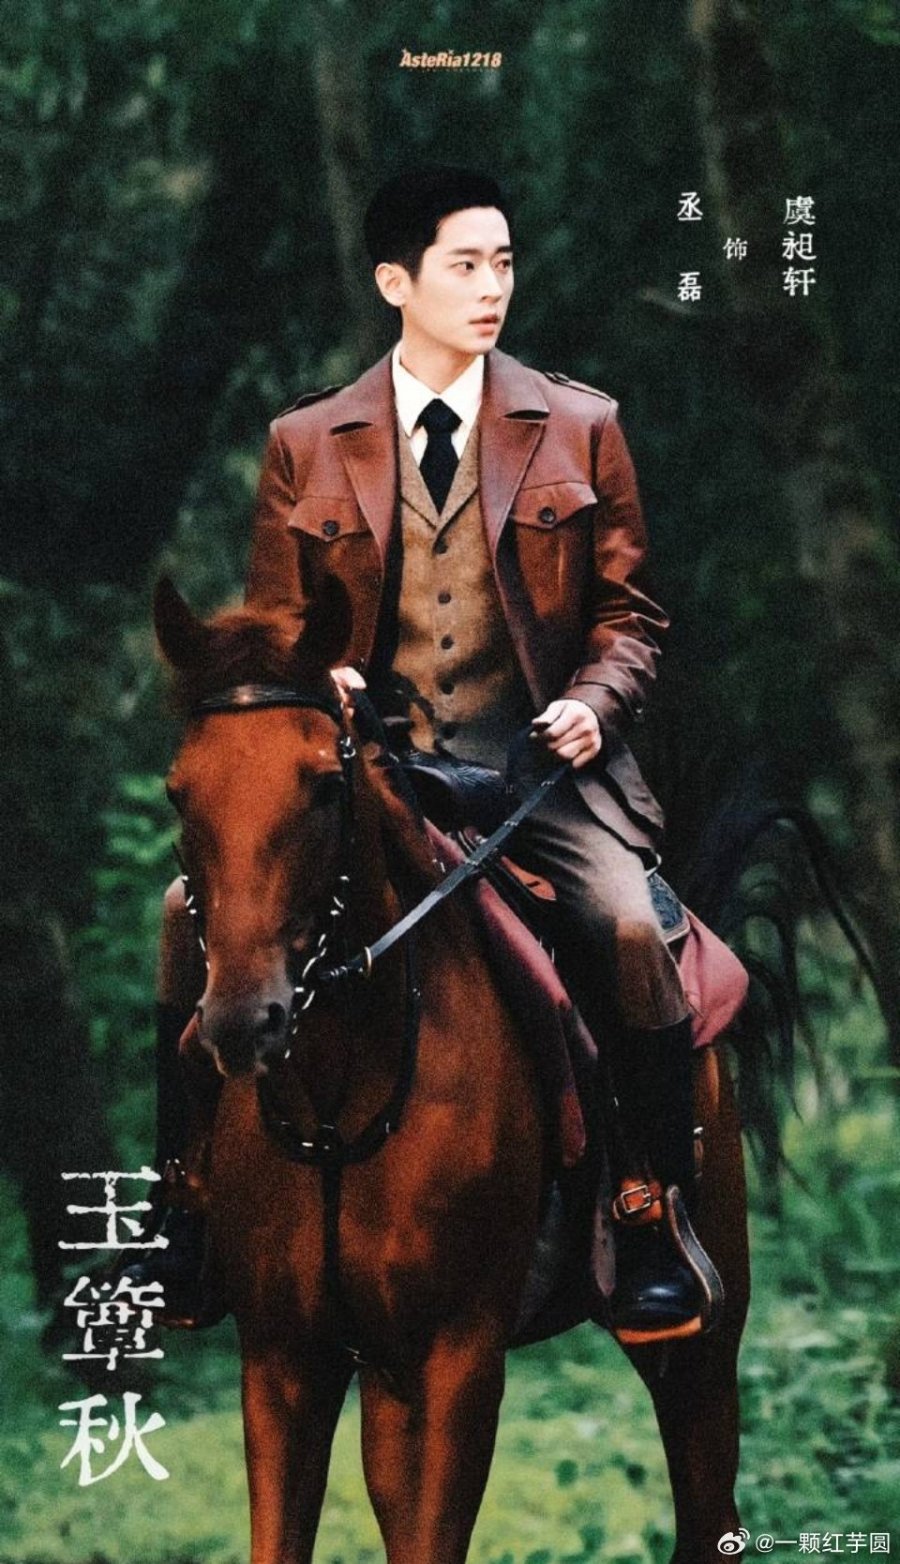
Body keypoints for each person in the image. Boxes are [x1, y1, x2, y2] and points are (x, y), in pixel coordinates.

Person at [132, 165, 718, 1344]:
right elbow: (276, 632)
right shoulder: (305, 441)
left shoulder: (582, 425)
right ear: (397, 282)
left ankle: (650, 1209)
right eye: (465, 265)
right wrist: (325, 681)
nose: (492, 287)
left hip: (542, 781)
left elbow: (631, 618)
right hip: (377, 772)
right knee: (184, 913)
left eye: (504, 263)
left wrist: (595, 702)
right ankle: (183, 1202)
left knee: (622, 926)